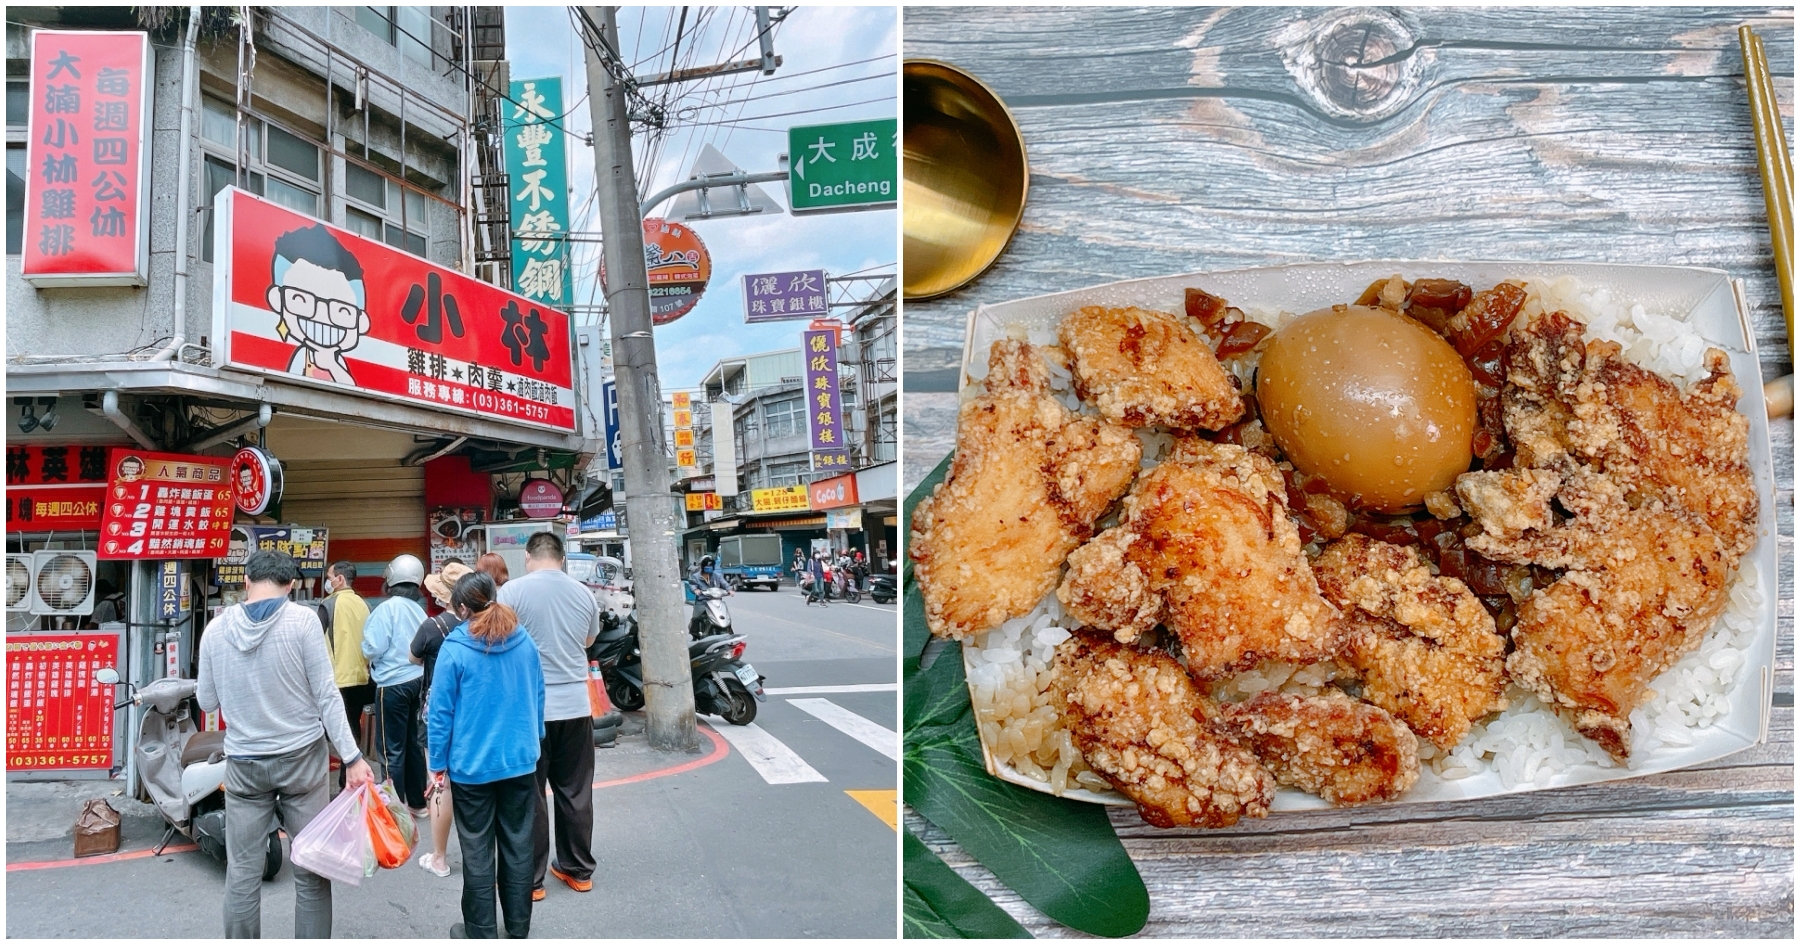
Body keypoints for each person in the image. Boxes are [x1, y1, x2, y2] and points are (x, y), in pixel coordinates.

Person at [195, 550, 374, 938]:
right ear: (291, 585)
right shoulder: (303, 622)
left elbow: (207, 702)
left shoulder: (215, 630)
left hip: (244, 763)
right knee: (311, 870)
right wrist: (353, 757)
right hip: (301, 762)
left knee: (242, 871)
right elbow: (327, 696)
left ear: (245, 582)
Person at [427, 571, 544, 940]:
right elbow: (538, 693)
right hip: (521, 761)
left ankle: (480, 931)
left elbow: (440, 714)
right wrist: (533, 738)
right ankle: (518, 927)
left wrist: (437, 766)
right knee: (518, 844)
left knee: (477, 850)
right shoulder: (523, 639)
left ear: (461, 607)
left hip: (471, 766)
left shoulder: (456, 648)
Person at [497, 532, 599, 901]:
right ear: (561, 557)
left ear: (528, 556)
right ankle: (578, 871)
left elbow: (500, 640)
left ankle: (530, 880)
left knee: (530, 793)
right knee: (575, 789)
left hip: (529, 707)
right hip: (575, 704)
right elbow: (588, 642)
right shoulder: (584, 593)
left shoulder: (511, 593)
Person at [411, 561, 473, 879]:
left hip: (435, 712)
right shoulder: (480, 627)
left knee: (439, 782)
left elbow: (413, 656)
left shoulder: (432, 627)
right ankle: (480, 855)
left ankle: (439, 857)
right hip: (472, 714)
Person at [362, 554, 429, 816]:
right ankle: (418, 803)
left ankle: (393, 808)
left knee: (391, 749)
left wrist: (365, 649)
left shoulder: (386, 609)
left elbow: (373, 647)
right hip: (417, 680)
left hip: (391, 684)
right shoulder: (418, 609)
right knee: (413, 743)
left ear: (391, 580)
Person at [315, 561, 373, 790]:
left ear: (339, 579)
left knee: (327, 730)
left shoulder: (328, 604)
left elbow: (313, 638)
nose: (327, 581)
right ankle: (347, 781)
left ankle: (327, 783)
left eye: (329, 576)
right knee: (351, 727)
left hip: (335, 678)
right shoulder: (363, 604)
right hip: (360, 676)